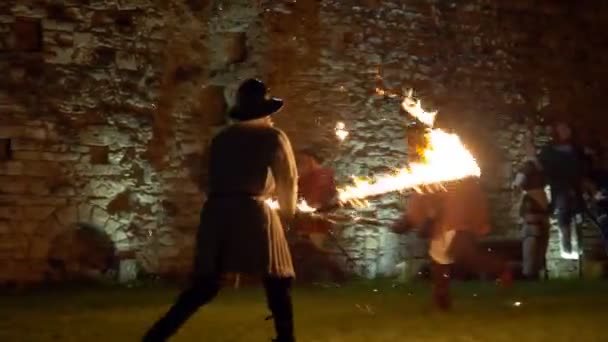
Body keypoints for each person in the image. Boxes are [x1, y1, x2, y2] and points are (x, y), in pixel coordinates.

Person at [142, 79, 298, 342]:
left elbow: (203, 177)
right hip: (253, 213)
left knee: (205, 285)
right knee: (277, 279)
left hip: (216, 213)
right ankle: (286, 339)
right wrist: (288, 213)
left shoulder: (221, 139)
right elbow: (288, 180)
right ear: (264, 112)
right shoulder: (274, 137)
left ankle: (156, 336)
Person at [392, 177, 512, 311]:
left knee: (463, 254)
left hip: (456, 223)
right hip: (439, 229)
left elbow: (471, 199)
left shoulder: (460, 181)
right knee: (439, 268)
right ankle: (442, 302)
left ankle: (500, 268)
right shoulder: (427, 180)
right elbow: (418, 203)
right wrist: (407, 221)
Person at [290, 148, 346, 282]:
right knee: (306, 249)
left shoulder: (324, 174)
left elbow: (322, 195)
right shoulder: (304, 177)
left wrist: (314, 205)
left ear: (310, 160)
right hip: (305, 220)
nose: (300, 163)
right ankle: (307, 279)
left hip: (318, 220)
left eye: (303, 160)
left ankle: (338, 276)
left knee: (317, 250)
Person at [537, 121, 586, 256]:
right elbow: (543, 167)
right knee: (564, 218)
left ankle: (579, 250)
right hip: (560, 190)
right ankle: (567, 249)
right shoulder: (549, 150)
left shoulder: (576, 148)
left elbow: (583, 166)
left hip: (575, 190)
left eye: (567, 128)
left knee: (577, 217)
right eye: (562, 128)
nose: (565, 131)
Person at [512, 134, 550, 280]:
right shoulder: (527, 166)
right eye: (527, 146)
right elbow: (517, 184)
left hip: (542, 205)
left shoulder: (540, 165)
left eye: (531, 145)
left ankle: (536, 270)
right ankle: (529, 273)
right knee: (532, 237)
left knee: (541, 238)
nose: (530, 149)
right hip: (532, 205)